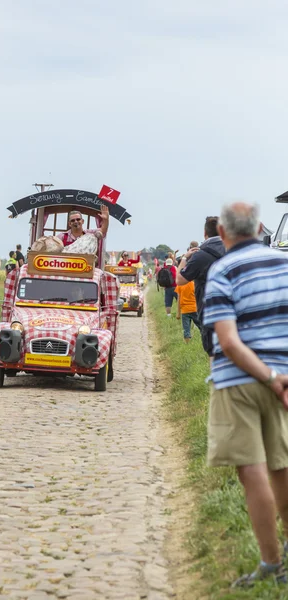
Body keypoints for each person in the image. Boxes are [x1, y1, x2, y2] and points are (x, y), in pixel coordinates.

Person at [204, 202, 288, 588]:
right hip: (283, 379)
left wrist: (267, 376)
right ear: (259, 228)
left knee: (251, 468)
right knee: (282, 465)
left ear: (222, 232)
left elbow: (229, 342)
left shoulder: (222, 270)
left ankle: (271, 563)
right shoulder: (284, 264)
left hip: (238, 381)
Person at [175, 217, 225, 354]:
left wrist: (185, 258)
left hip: (210, 311)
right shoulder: (235, 251)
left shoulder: (200, 256)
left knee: (214, 355)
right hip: (235, 312)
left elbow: (179, 280)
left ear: (205, 233)